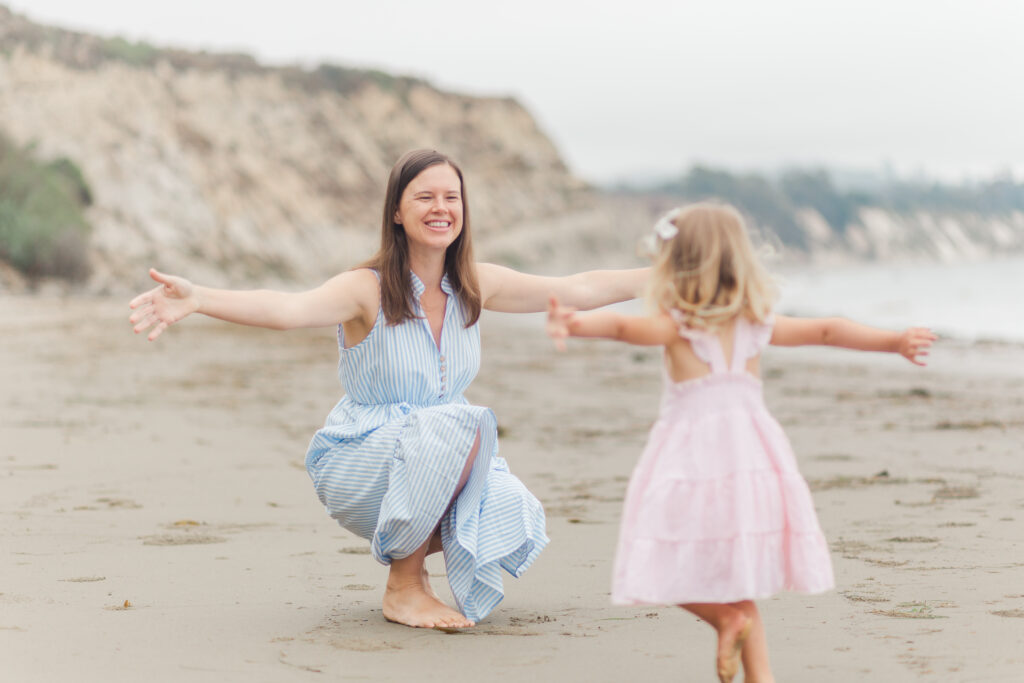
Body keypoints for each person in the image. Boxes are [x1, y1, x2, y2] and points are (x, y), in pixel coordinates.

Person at [129, 148, 648, 629]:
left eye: (451, 197)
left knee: (509, 504)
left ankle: (417, 571)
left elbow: (574, 288)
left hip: (435, 451)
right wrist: (199, 299)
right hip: (361, 461)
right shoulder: (366, 288)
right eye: (425, 197)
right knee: (459, 423)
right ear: (397, 212)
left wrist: (661, 277)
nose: (440, 208)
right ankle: (402, 587)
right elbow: (286, 309)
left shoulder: (474, 284)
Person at [546, 202, 936, 683]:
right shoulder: (756, 322)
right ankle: (760, 674)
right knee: (738, 576)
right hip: (752, 461)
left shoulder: (679, 322)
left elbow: (627, 327)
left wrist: (575, 323)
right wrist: (894, 342)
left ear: (672, 263)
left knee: (659, 552)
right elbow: (827, 329)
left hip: (692, 461)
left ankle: (724, 619)